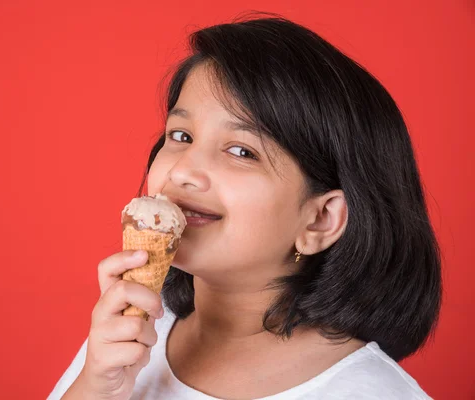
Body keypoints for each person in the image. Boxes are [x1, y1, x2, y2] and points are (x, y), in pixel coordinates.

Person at [48, 12, 441, 400]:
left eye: (241, 151)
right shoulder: (125, 345)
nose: (184, 171)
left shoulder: (370, 393)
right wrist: (96, 388)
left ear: (320, 219)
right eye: (181, 135)